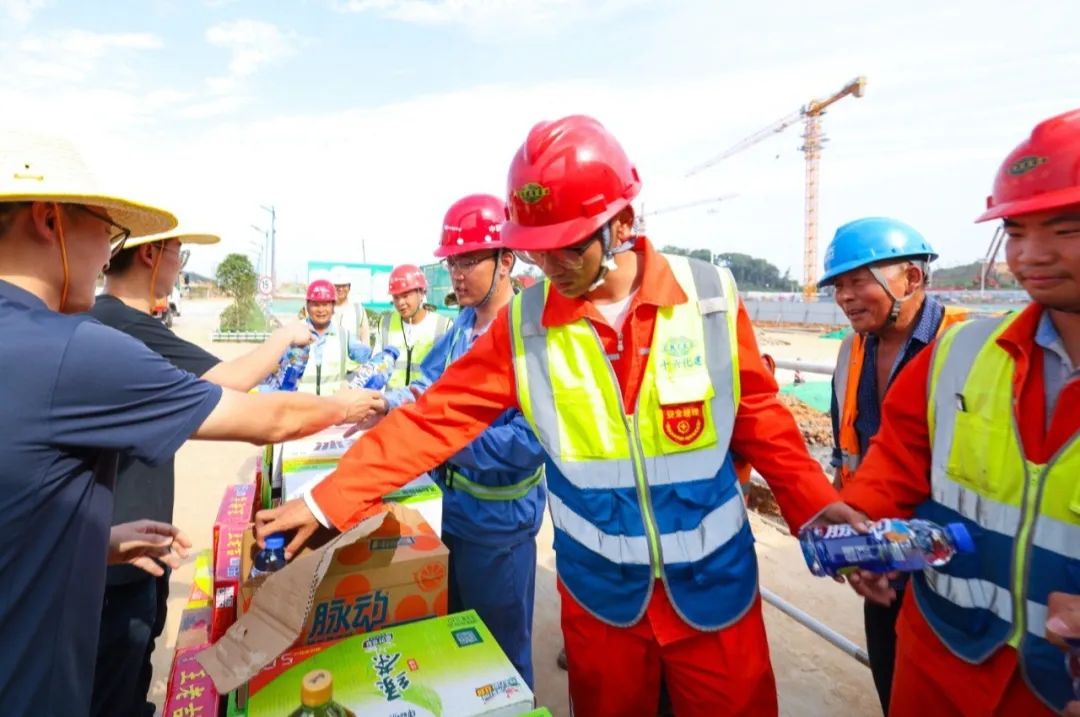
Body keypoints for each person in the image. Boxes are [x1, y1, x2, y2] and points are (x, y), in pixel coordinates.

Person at [257, 115, 861, 716]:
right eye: (537, 251)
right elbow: (432, 419)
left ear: (622, 222)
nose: (549, 268)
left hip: (713, 594)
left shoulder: (707, 296)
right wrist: (326, 500)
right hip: (604, 606)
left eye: (566, 247)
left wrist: (815, 505)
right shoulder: (525, 327)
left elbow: (757, 414)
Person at [0, 132, 384, 716]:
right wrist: (350, 406)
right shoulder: (73, 349)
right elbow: (267, 416)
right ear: (49, 220)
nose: (107, 252)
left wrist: (92, 545)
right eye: (107, 228)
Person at [834, 109, 1080, 715]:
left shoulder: (947, 336)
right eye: (1016, 230)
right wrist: (859, 527)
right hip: (942, 654)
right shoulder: (962, 355)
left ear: (911, 277)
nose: (1032, 254)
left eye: (1067, 228)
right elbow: (897, 455)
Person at [87, 226, 321, 716]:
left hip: (125, 546)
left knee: (127, 678)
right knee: (115, 687)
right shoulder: (127, 327)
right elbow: (229, 385)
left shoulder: (112, 323)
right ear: (151, 255)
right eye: (178, 254)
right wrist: (284, 336)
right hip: (120, 564)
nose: (178, 265)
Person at [367, 194, 546, 686]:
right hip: (449, 514)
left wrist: (439, 438)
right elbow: (430, 386)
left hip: (499, 529)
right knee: (456, 647)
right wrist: (387, 404)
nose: (457, 274)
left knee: (503, 661)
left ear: (506, 260)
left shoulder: (533, 336)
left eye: (469, 260)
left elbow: (528, 442)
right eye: (452, 262)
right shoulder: (463, 327)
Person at [819, 217, 966, 714]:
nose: (845, 296)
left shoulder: (965, 347)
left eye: (859, 280)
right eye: (839, 285)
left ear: (913, 279)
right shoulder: (850, 350)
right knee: (892, 680)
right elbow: (848, 446)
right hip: (878, 551)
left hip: (953, 553)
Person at [375, 264, 451, 388]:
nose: (400, 303)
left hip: (426, 403)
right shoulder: (385, 324)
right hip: (392, 404)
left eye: (405, 296)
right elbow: (377, 367)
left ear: (421, 293)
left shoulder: (443, 326)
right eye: (396, 297)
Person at [293, 279, 371, 395]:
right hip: (301, 407)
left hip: (333, 407)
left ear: (333, 307)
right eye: (316, 305)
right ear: (307, 306)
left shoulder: (344, 335)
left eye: (325, 304)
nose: (321, 310)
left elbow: (365, 359)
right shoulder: (294, 332)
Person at [329, 265, 371, 349]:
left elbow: (365, 341)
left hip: (353, 361)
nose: (340, 289)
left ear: (349, 287)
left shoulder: (358, 310)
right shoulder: (322, 309)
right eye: (336, 285)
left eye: (344, 285)